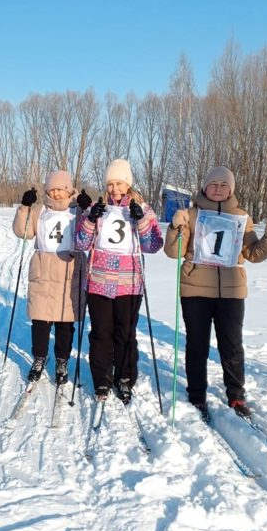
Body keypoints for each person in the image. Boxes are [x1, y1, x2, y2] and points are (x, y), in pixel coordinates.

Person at [163, 167, 267, 422]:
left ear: (231, 189)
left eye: (224, 184)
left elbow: (252, 254)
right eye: (213, 183)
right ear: (204, 187)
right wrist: (175, 227)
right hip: (195, 288)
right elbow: (174, 252)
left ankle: (236, 394)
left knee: (232, 345)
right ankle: (197, 394)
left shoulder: (241, 217)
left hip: (231, 290)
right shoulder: (191, 214)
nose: (218, 188)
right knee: (197, 344)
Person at [74, 159, 163, 404]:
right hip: (99, 282)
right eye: (110, 184)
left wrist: (142, 222)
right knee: (101, 334)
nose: (114, 189)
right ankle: (102, 378)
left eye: (119, 183)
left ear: (128, 183)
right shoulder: (97, 207)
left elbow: (153, 245)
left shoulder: (143, 209)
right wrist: (91, 219)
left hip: (129, 284)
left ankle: (125, 378)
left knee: (125, 334)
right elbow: (80, 243)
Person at [12, 171, 86, 385]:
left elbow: (91, 233)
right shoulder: (40, 209)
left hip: (69, 270)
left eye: (60, 188)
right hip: (43, 270)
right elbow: (23, 232)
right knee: (40, 320)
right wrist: (25, 207)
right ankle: (39, 357)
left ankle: (62, 360)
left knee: (65, 322)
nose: (56, 192)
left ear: (68, 189)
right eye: (52, 188)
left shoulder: (78, 209)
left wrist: (89, 210)